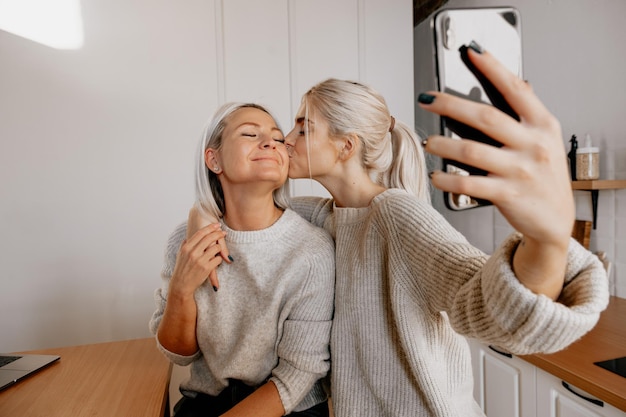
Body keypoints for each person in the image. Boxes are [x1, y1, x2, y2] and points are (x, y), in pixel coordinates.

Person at [274, 41, 607, 416]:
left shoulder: (397, 215)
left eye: (304, 129)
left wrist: (547, 243)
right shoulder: (324, 217)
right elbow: (257, 218)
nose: (285, 140)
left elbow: (482, 301)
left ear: (345, 146)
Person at [149, 103, 336, 417]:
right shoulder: (185, 241)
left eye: (278, 139)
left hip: (287, 408)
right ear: (214, 159)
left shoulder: (312, 250)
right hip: (205, 404)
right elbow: (178, 353)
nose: (270, 143)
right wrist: (182, 289)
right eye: (250, 133)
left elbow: (298, 375)